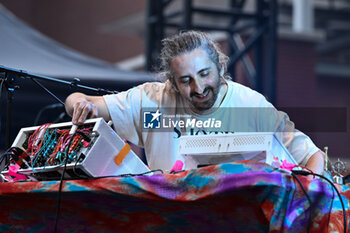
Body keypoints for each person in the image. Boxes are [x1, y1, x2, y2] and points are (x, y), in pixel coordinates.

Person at [65, 30, 325, 174]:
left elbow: (313, 156)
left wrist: (308, 196)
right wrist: (79, 103)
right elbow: (81, 101)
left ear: (220, 67)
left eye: (204, 74)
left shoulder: (251, 105)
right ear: (172, 82)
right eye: (186, 80)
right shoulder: (151, 100)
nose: (198, 88)